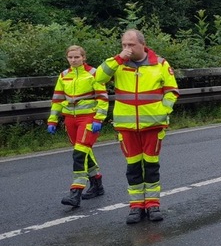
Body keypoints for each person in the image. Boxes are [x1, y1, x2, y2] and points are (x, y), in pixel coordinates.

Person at [95, 29, 179, 224]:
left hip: (153, 125)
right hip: (127, 127)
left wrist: (164, 111)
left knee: (150, 166)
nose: (127, 49)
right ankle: (135, 207)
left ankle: (152, 204)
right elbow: (98, 77)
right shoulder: (117, 64)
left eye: (131, 45)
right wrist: (118, 58)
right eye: (124, 45)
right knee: (133, 167)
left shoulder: (160, 64)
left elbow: (171, 91)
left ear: (142, 44)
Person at [48, 45, 108, 207]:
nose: (73, 60)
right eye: (70, 57)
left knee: (79, 154)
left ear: (83, 57)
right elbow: (58, 100)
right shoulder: (64, 76)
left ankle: (75, 192)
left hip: (88, 119)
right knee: (84, 152)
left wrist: (98, 119)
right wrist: (52, 120)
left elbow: (102, 98)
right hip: (70, 120)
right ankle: (97, 184)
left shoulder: (94, 74)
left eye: (77, 57)